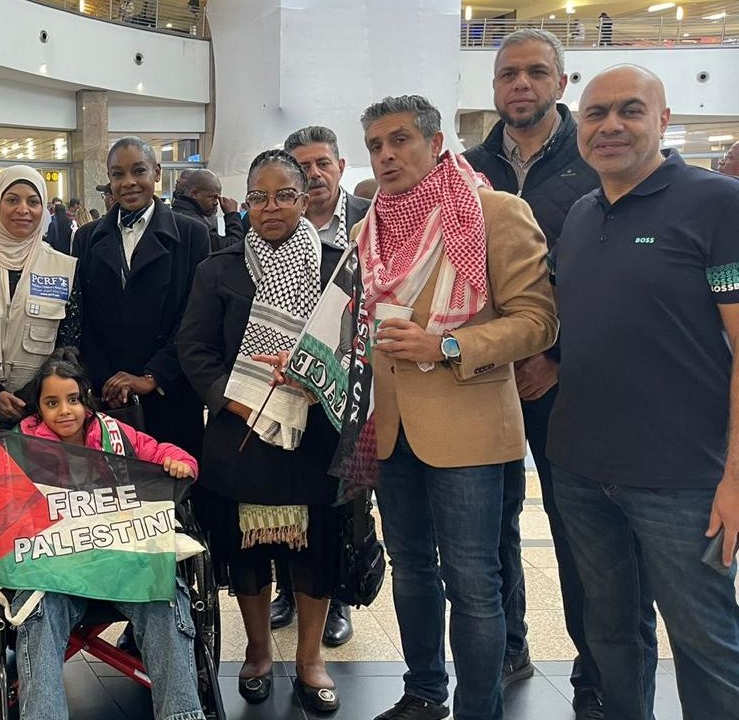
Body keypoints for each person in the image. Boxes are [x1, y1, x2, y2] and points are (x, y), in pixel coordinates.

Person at [356, 95, 558, 720]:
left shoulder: (492, 212)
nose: (386, 155)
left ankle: (480, 709)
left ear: (436, 142)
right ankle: (423, 693)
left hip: (468, 426)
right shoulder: (372, 226)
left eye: (400, 141)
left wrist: (446, 344)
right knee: (411, 569)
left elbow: (538, 321)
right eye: (375, 146)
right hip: (390, 428)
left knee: (473, 583)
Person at [549, 64, 739, 720]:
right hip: (581, 469)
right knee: (610, 635)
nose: (610, 126)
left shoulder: (717, 204)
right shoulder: (579, 213)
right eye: (595, 113)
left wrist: (735, 477)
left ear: (663, 120)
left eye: (630, 110)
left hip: (684, 478)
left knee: (706, 642)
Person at [461, 28, 609, 718]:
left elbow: (608, 282)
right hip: (483, 382)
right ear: (494, 88)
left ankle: (595, 668)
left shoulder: (596, 157)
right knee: (489, 527)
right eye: (508, 75)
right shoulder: (463, 169)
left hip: (566, 386)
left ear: (561, 82)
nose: (520, 85)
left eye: (535, 73)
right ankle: (509, 645)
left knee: (579, 532)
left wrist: (556, 357)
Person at [178, 148, 350, 713]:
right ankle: (256, 653)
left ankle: (309, 661)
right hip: (241, 435)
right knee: (249, 555)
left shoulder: (334, 267)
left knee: (313, 551)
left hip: (313, 437)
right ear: (245, 202)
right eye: (259, 196)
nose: (270, 207)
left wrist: (315, 377)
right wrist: (236, 398)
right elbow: (194, 348)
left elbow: (355, 345)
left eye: (284, 195)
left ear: (305, 199)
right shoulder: (219, 269)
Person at [0, 348, 205, 720]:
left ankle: (183, 715)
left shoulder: (115, 435)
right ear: (38, 409)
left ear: (85, 400)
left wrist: (179, 463)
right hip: (56, 573)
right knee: (38, 612)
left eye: (73, 399)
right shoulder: (22, 445)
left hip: (120, 564)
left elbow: (162, 452)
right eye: (52, 402)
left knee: (165, 597)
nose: (65, 410)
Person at [266, 125, 372, 644]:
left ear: (340, 166)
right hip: (284, 391)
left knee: (342, 506)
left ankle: (338, 602)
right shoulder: (276, 229)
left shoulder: (368, 225)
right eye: (302, 166)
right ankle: (289, 589)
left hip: (345, 395)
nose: (313, 175)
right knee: (289, 501)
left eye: (321, 164)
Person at [75, 137, 210, 459]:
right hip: (109, 397)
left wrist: (153, 376)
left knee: (174, 490)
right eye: (118, 174)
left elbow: (195, 318)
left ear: (157, 172)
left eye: (139, 171)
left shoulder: (191, 234)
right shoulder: (86, 237)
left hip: (170, 392)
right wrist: (106, 379)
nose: (129, 182)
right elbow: (82, 318)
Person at [0, 165, 81, 422]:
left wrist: (29, 397)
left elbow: (69, 342)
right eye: (12, 200)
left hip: (41, 413)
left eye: (33, 202)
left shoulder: (65, 267)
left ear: (43, 209)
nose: (23, 209)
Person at [170, 168, 243, 251]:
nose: (216, 203)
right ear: (194, 193)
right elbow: (233, 249)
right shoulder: (196, 224)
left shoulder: (175, 214)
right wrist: (232, 215)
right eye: (213, 197)